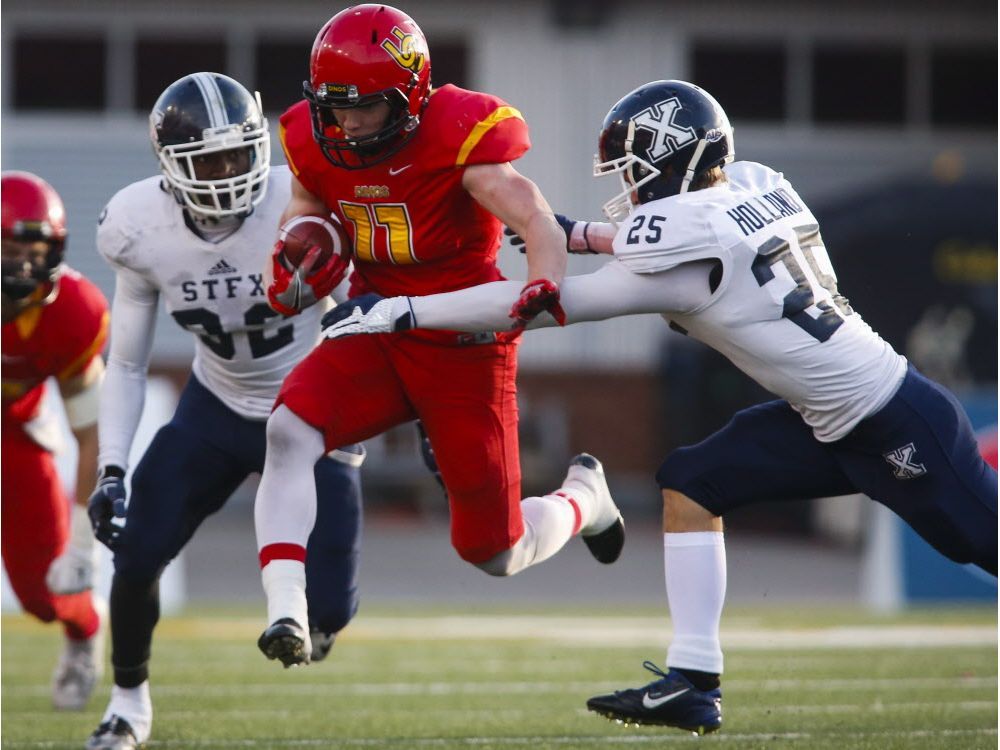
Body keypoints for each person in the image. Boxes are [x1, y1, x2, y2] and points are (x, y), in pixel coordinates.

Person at [319, 79, 999, 735]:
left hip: (894, 420)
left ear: (675, 162)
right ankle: (694, 684)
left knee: (986, 543)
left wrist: (401, 310)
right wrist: (582, 233)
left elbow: (548, 302)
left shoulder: (683, 237)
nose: (631, 190)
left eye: (636, 171)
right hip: (828, 416)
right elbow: (698, 241)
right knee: (692, 482)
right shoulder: (755, 184)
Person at [254, 3, 625, 667]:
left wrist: (543, 282)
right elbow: (304, 208)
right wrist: (287, 259)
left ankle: (582, 498)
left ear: (412, 96)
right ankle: (287, 610)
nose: (347, 121)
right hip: (373, 322)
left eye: (365, 104)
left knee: (495, 552)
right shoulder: (314, 139)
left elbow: (535, 218)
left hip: (461, 342)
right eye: (334, 104)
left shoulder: (461, 136)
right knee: (288, 429)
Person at [83, 73, 365, 750]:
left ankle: (316, 618)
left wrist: (372, 425)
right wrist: (112, 469)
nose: (228, 173)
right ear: (171, 165)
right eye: (209, 161)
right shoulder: (136, 224)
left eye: (239, 155)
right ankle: (128, 705)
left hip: (312, 412)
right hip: (216, 406)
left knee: (330, 610)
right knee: (136, 554)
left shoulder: (297, 200)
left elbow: (359, 315)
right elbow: (125, 362)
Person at [1, 171, 108, 712]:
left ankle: (84, 631)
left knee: (47, 595)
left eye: (29, 248)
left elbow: (91, 433)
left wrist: (82, 547)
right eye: (5, 246)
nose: (18, 263)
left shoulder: (73, 313)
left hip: (14, 436)